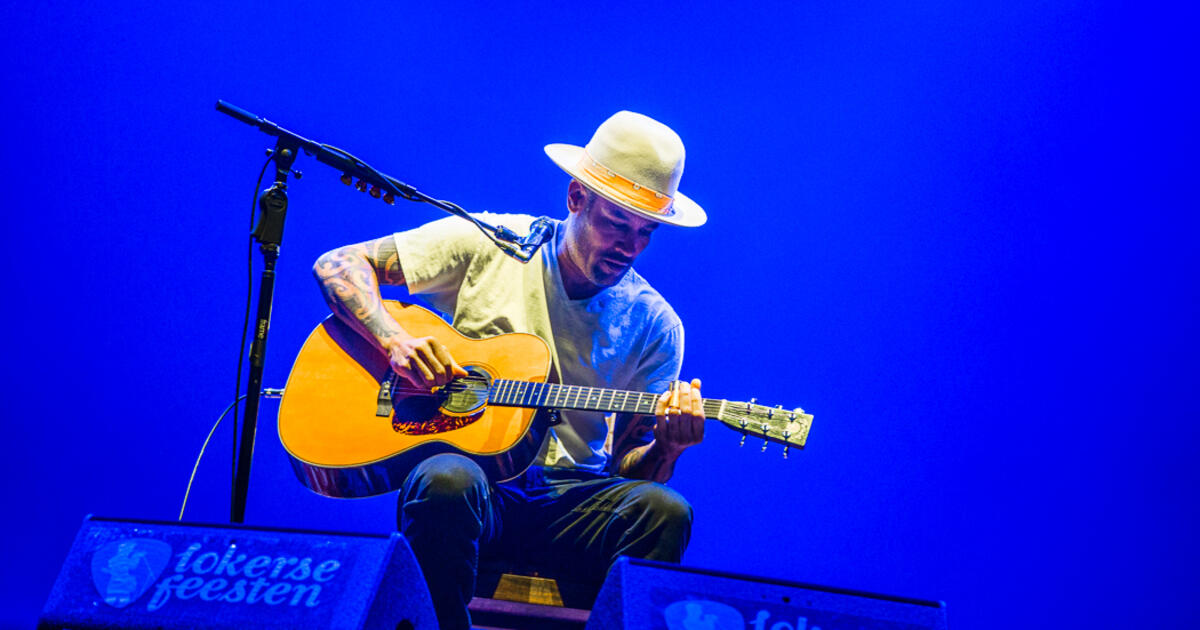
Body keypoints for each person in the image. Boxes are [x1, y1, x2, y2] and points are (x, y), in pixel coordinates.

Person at [313, 110, 708, 629]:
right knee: (446, 479)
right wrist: (395, 342)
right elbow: (339, 264)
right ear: (576, 198)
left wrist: (667, 447)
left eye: (646, 232)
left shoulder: (657, 324)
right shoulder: (491, 241)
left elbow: (628, 471)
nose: (630, 247)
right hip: (479, 479)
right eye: (617, 224)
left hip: (574, 497)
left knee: (665, 511)